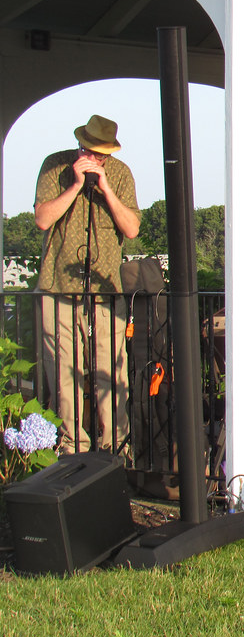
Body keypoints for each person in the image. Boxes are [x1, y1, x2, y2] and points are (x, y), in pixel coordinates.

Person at [34, 114, 141, 455]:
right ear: (80, 145)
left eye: (102, 155)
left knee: (111, 371)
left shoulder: (120, 173)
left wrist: (106, 188)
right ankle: (72, 449)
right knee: (64, 373)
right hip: (58, 288)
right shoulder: (55, 166)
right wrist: (76, 185)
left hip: (105, 290)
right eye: (90, 151)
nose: (95, 159)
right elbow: (42, 219)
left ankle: (116, 449)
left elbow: (132, 228)